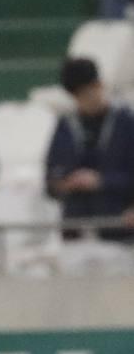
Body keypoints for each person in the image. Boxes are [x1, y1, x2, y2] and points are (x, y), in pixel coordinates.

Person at [46, 57, 134, 240]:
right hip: (76, 228)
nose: (82, 101)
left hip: (118, 227)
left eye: (85, 93)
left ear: (98, 85)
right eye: (76, 96)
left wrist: (101, 181)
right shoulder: (66, 125)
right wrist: (64, 183)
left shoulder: (125, 123)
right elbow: (50, 178)